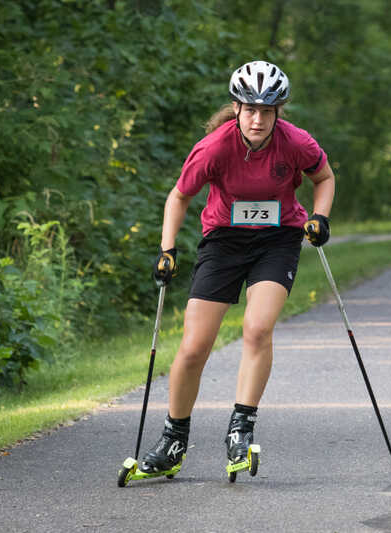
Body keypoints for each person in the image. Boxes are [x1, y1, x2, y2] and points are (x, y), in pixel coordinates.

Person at [140, 60, 335, 475]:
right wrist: (167, 249)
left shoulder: (295, 142)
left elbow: (325, 177)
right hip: (224, 242)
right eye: (250, 110)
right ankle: (174, 440)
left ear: (278, 111)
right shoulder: (214, 147)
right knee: (194, 347)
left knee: (257, 328)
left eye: (267, 111)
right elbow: (178, 197)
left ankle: (241, 429)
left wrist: (319, 217)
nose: (258, 119)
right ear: (236, 107)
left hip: (277, 240)